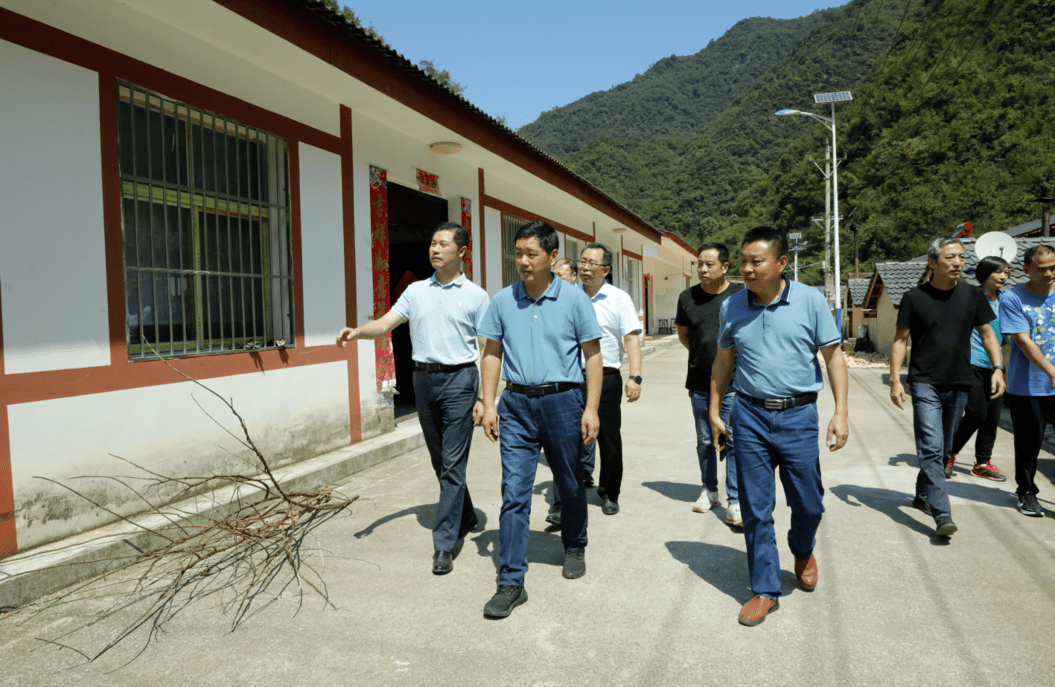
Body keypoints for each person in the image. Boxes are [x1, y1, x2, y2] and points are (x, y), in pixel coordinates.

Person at [710, 226, 848, 627]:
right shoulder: (732, 306)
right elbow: (723, 361)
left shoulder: (810, 300)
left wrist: (841, 412)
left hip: (798, 415)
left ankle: (802, 548)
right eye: (744, 262)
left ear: (781, 263)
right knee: (756, 508)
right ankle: (765, 589)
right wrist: (715, 409)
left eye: (757, 261)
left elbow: (834, 357)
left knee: (809, 502)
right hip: (748, 415)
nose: (748, 269)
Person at [336, 222, 489, 575]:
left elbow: (486, 347)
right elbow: (387, 322)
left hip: (460, 380)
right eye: (433, 243)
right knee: (440, 460)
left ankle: (444, 544)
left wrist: (484, 396)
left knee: (452, 463)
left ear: (462, 252)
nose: (435, 249)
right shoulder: (416, 291)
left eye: (444, 244)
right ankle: (465, 515)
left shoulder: (477, 297)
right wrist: (359, 331)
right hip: (423, 379)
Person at [478, 221, 603, 618]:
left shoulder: (574, 299)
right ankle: (511, 580)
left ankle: (575, 543)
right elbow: (492, 353)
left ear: (552, 257)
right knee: (514, 491)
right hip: (516, 405)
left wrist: (591, 408)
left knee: (568, 481)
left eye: (532, 254)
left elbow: (593, 356)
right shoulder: (502, 300)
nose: (523, 262)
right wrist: (489, 402)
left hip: (563, 402)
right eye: (518, 254)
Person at [890, 237, 1005, 536]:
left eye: (962, 257)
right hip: (925, 381)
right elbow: (900, 341)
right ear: (932, 262)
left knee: (943, 450)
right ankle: (943, 514)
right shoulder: (914, 297)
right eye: (950, 257)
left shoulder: (973, 296)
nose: (958, 263)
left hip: (959, 382)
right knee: (930, 447)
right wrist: (894, 380)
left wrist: (998, 368)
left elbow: (989, 335)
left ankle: (923, 494)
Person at [550, 243, 641, 519]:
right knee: (564, 441)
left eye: (593, 263)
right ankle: (561, 501)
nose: (586, 267)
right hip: (568, 379)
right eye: (583, 261)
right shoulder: (565, 295)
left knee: (609, 440)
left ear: (606, 269)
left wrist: (635, 376)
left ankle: (610, 493)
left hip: (607, 379)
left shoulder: (618, 298)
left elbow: (631, 339)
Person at [676, 242, 744, 526]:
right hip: (699, 383)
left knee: (733, 440)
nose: (702, 269)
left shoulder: (740, 295)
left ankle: (736, 500)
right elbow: (685, 336)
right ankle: (709, 489)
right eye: (699, 264)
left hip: (734, 384)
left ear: (725, 267)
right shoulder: (687, 297)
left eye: (709, 264)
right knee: (705, 440)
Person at [999, 244, 1055, 517]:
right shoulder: (1012, 298)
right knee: (1029, 443)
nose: (1049, 273)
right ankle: (1026, 491)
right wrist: (1053, 373)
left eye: (1053, 268)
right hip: (1029, 385)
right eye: (1042, 269)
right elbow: (1022, 341)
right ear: (1027, 270)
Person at [946, 256, 1010, 481]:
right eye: (998, 272)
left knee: (992, 417)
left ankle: (982, 462)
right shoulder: (971, 297)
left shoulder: (1006, 300)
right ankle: (949, 454)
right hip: (971, 362)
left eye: (1007, 272)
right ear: (985, 275)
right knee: (975, 413)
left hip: (997, 366)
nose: (1003, 276)